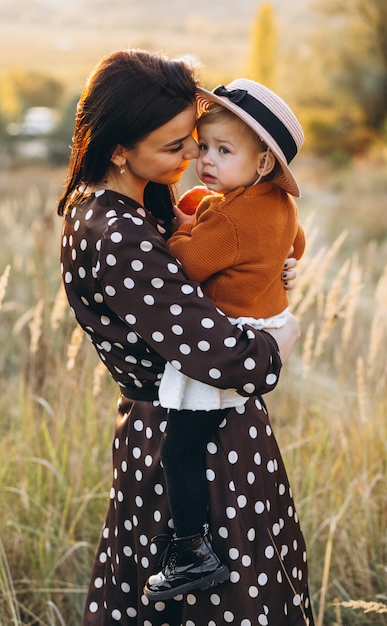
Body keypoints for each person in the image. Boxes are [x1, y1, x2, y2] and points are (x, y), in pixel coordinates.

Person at [57, 49, 315, 626]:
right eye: (177, 147)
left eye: (194, 140)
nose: (195, 154)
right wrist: (280, 341)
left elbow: (216, 267)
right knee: (221, 605)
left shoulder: (114, 206)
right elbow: (229, 360)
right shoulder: (117, 235)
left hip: (191, 429)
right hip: (195, 448)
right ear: (119, 148)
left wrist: (267, 272)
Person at [153, 80, 306, 600]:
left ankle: (193, 551)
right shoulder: (274, 205)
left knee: (181, 449)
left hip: (228, 343)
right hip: (261, 330)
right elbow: (295, 243)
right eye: (204, 146)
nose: (206, 160)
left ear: (263, 164)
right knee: (209, 443)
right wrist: (277, 259)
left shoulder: (234, 222)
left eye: (224, 151)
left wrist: (176, 231)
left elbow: (187, 263)